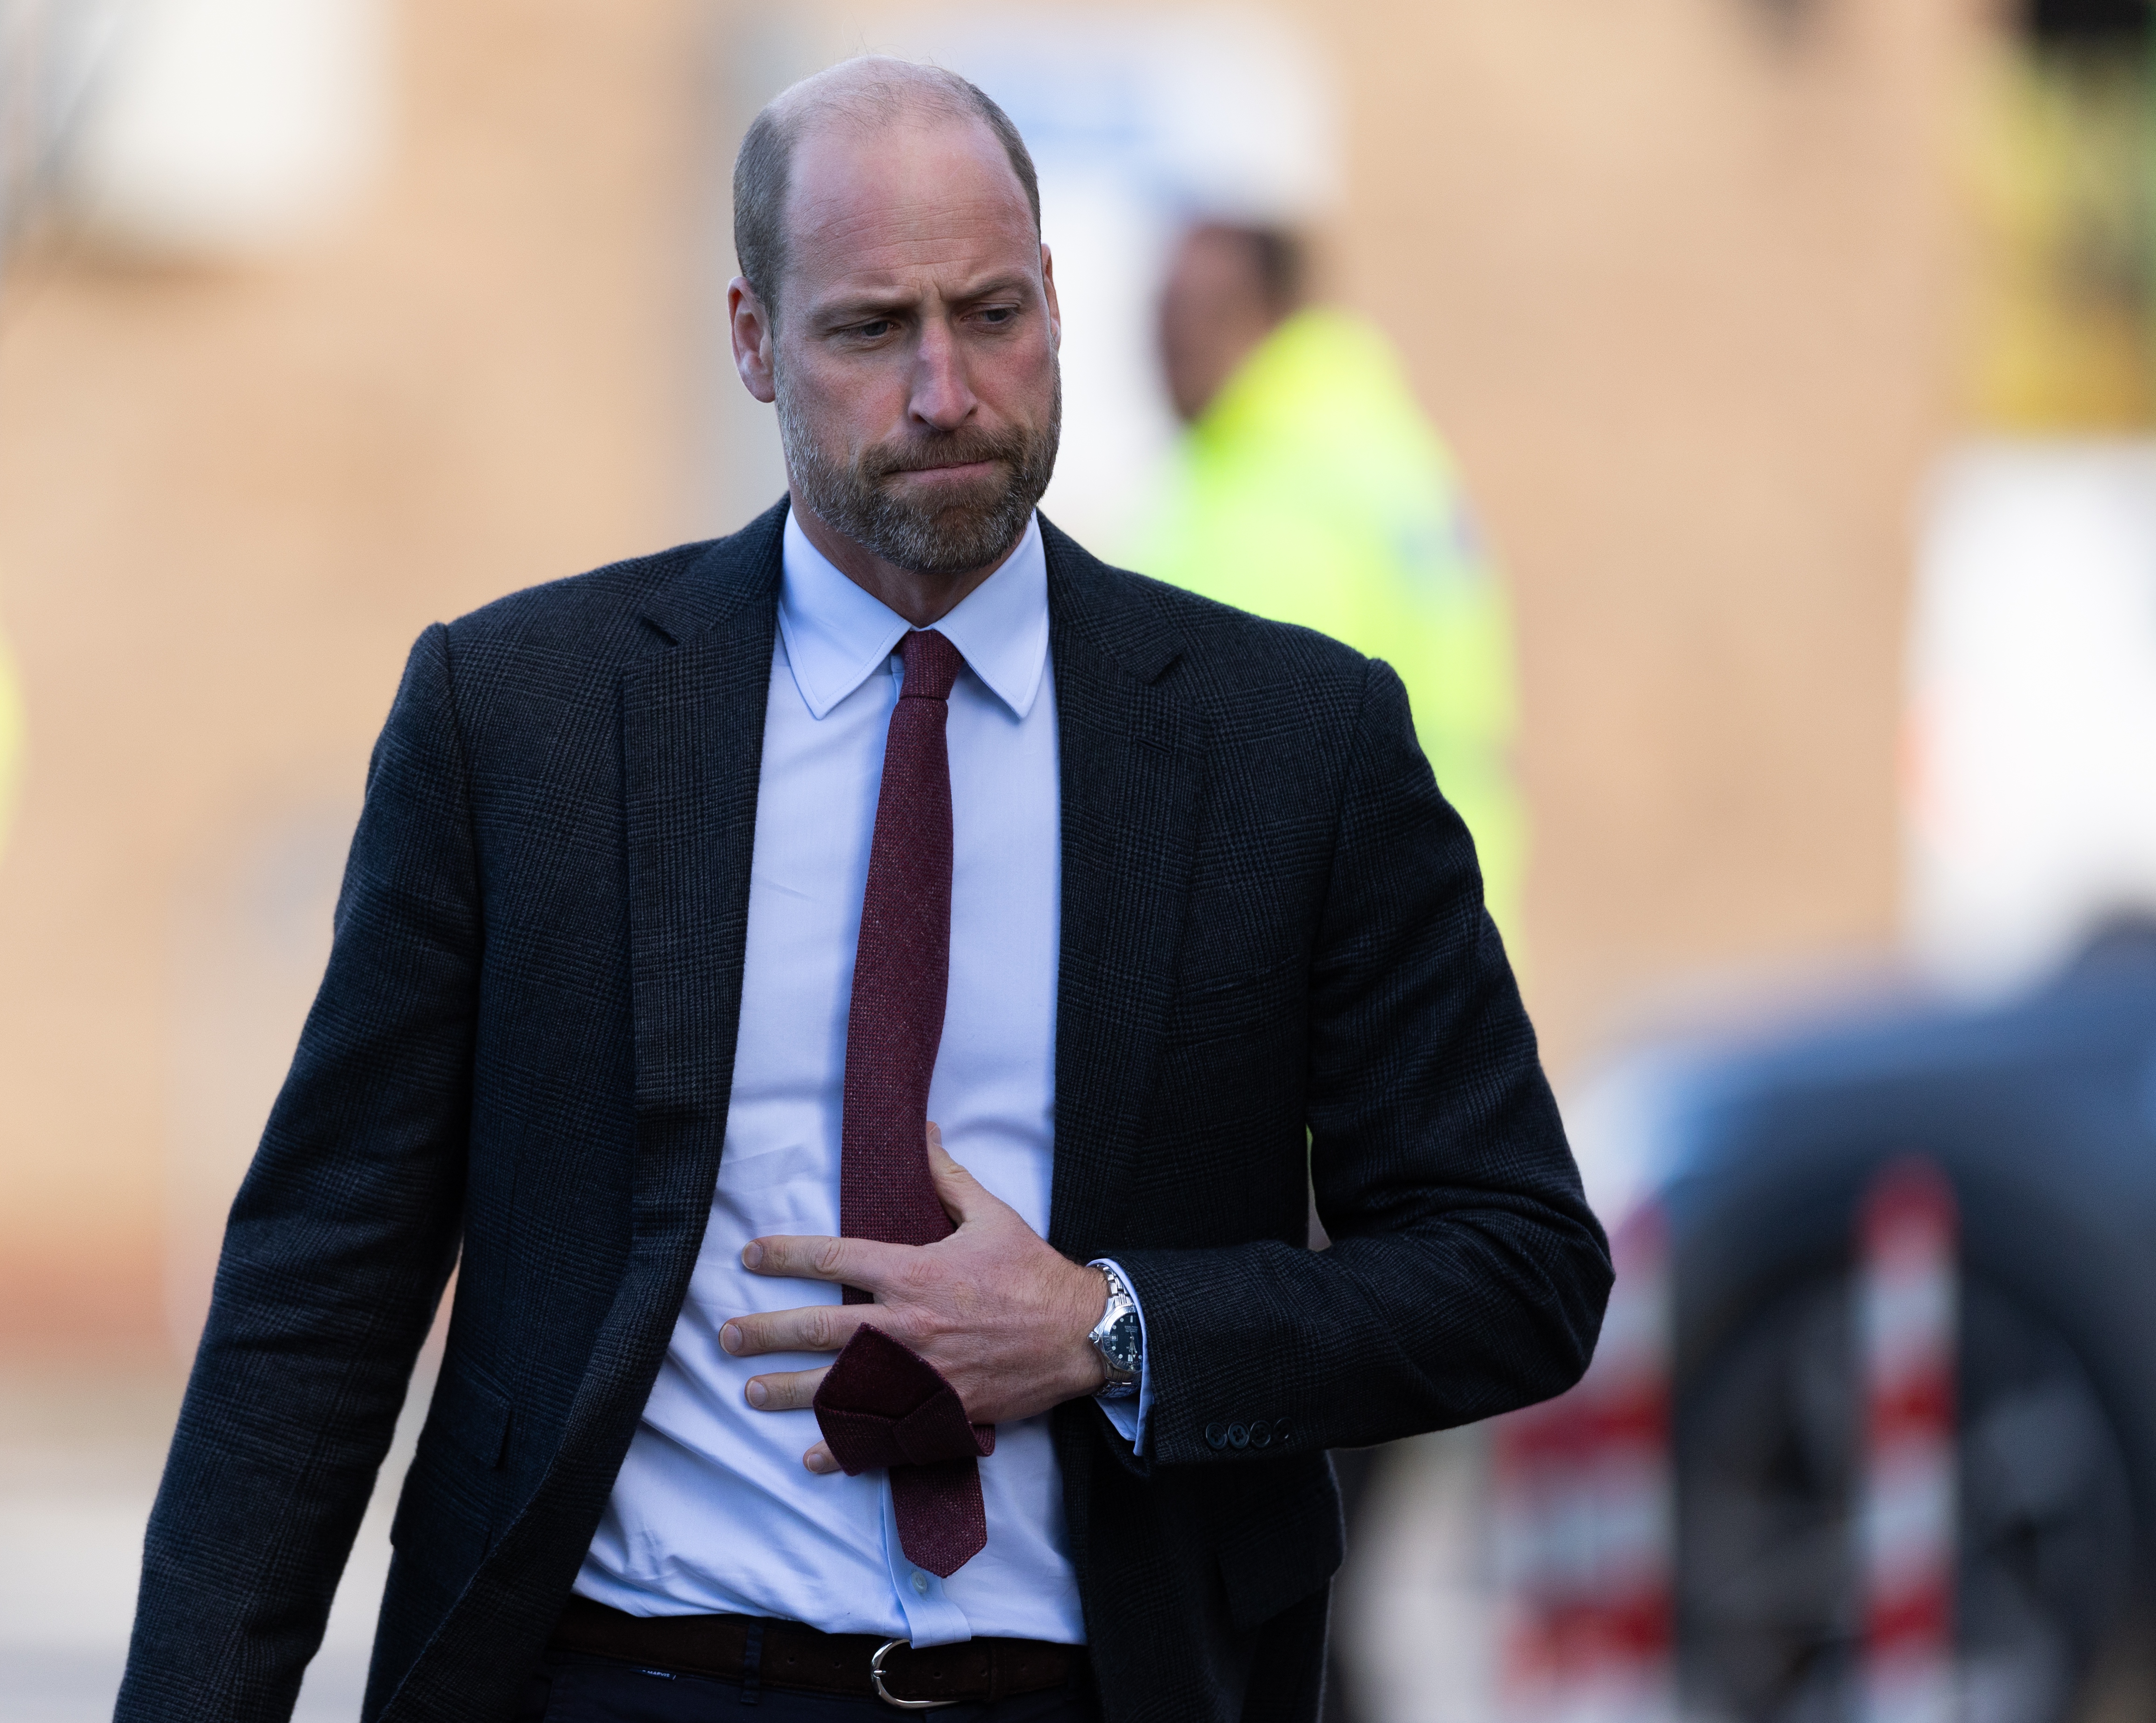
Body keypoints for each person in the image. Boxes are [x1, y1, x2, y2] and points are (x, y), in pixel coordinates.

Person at [118, 58, 1608, 1723]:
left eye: (991, 313)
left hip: (1088, 1684)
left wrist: (1107, 1327)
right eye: (868, 330)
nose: (944, 390)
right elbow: (320, 1285)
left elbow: (1519, 1265)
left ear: (1057, 298)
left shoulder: (1291, 746)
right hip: (628, 1674)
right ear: (752, 339)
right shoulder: (523, 722)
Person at [1141, 222, 1527, 953]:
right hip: (1436, 940)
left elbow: (1241, 770)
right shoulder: (1376, 452)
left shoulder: (1272, 491)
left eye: (1200, 309)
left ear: (1269, 316)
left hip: (1331, 960)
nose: (1169, 339)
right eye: (1159, 310)